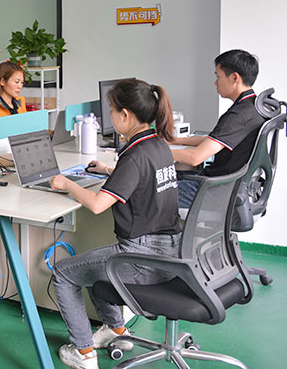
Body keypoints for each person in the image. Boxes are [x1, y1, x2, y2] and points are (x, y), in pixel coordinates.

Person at [49, 79, 181, 369]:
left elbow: (98, 205)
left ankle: (84, 353)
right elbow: (139, 179)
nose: (109, 116)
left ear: (125, 115)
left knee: (63, 273)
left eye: (111, 110)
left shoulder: (134, 155)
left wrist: (67, 184)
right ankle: (117, 331)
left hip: (141, 258)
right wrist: (110, 170)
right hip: (169, 253)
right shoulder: (158, 144)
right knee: (94, 267)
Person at [172, 50, 266, 208]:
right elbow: (216, 140)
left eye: (218, 76)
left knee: (149, 190)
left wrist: (154, 151)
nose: (216, 83)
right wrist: (176, 141)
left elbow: (195, 157)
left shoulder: (238, 116)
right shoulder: (252, 108)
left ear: (234, 78)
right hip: (228, 186)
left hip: (215, 191)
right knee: (172, 174)